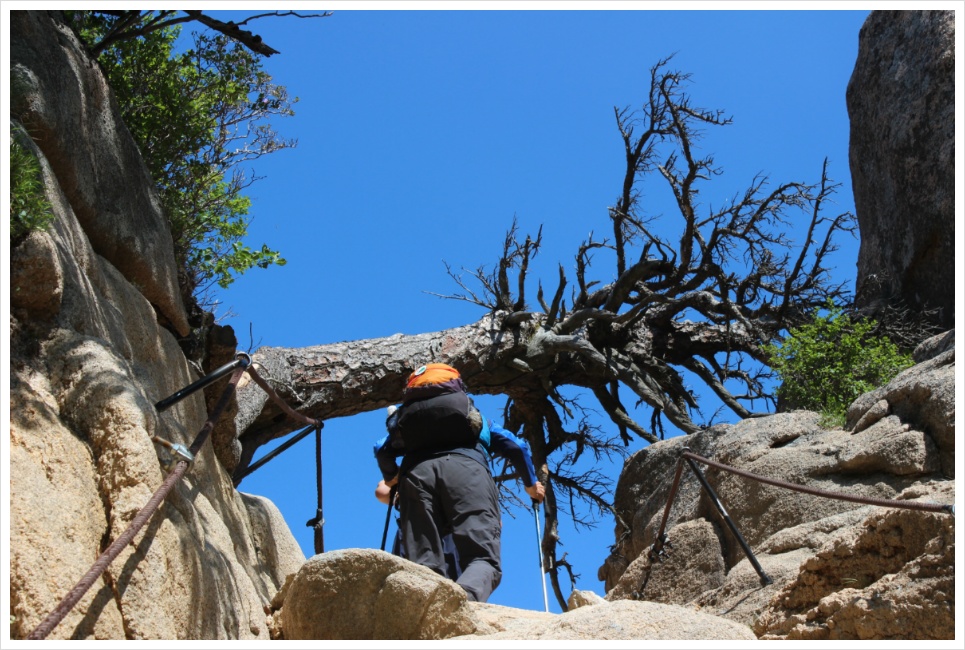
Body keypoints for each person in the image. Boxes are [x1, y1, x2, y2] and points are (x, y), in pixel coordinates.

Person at [373, 363, 545, 603]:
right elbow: (516, 447)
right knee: (482, 559)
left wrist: (393, 476)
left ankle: (430, 609)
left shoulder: (407, 420)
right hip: (467, 472)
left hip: (416, 475)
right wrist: (531, 485)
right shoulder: (475, 419)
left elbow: (381, 448)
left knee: (422, 565)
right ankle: (460, 606)